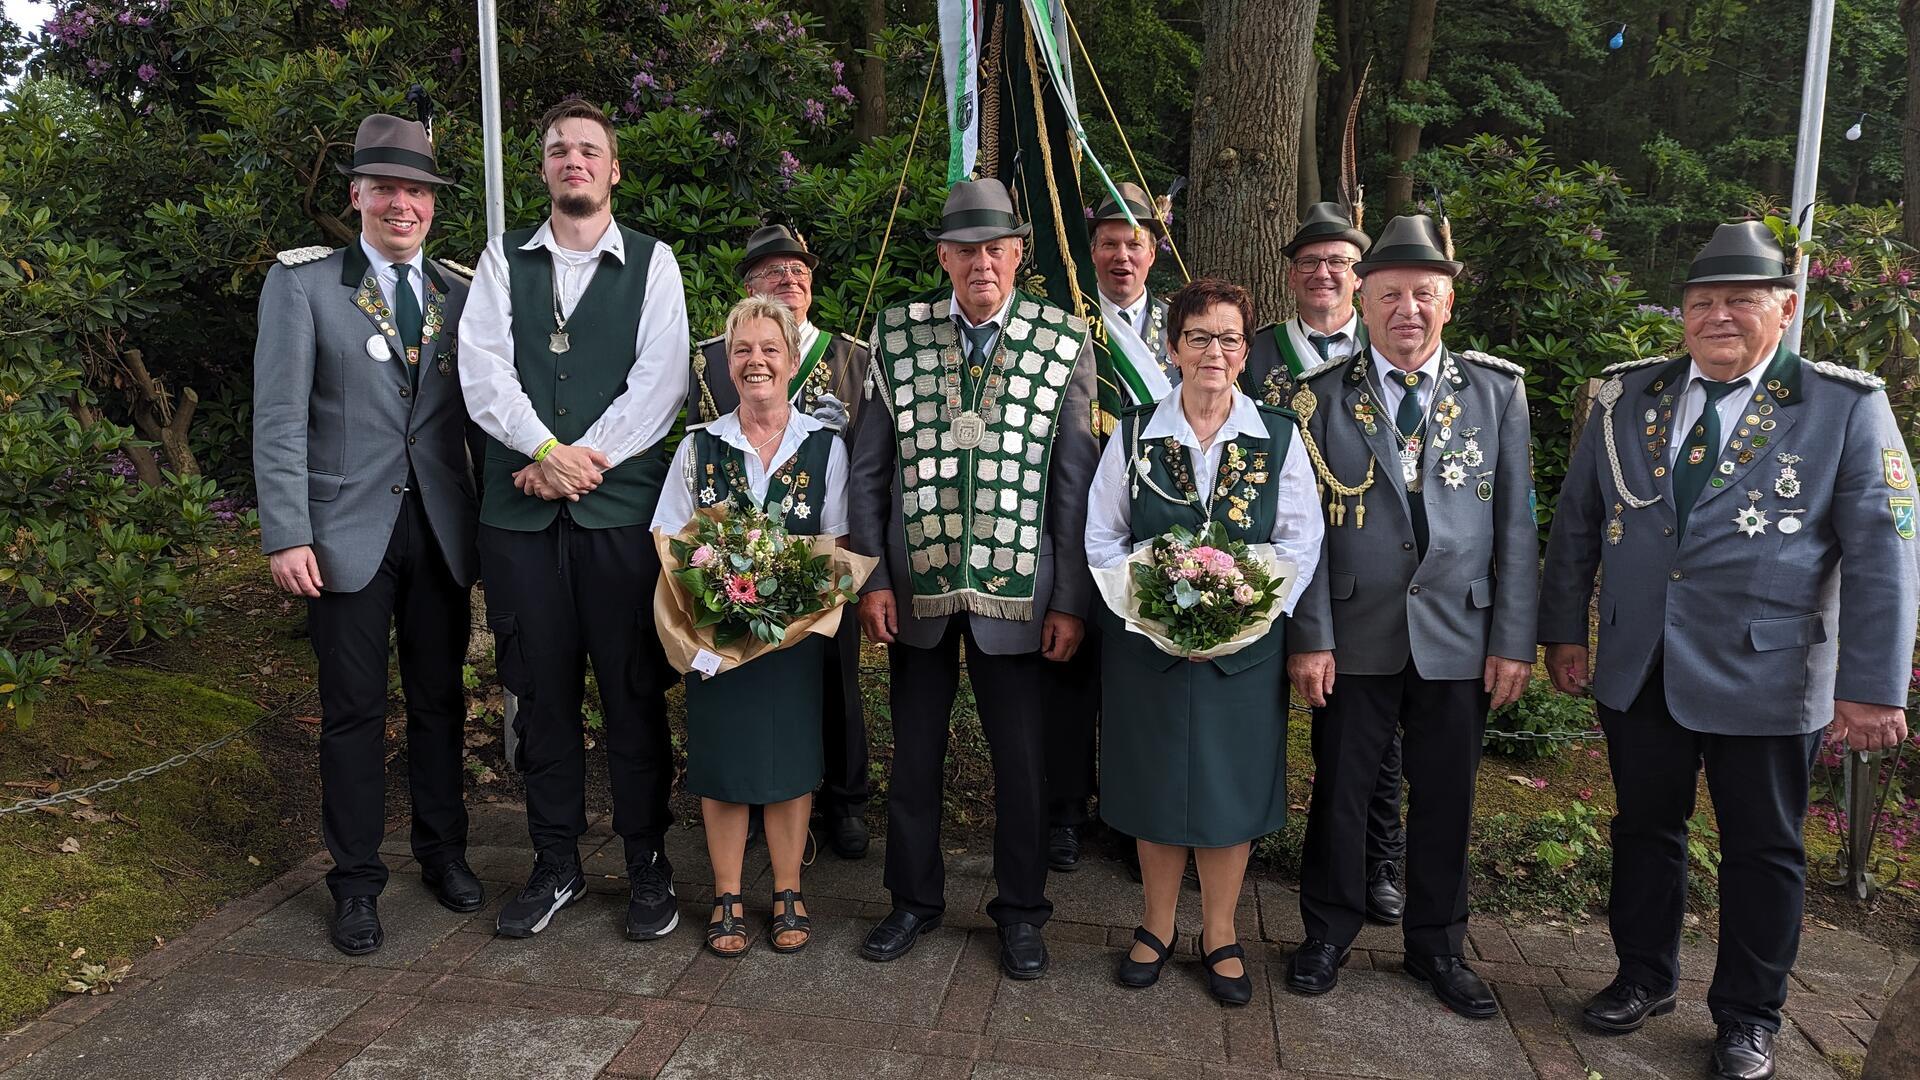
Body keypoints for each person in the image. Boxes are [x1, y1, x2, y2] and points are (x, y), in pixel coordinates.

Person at [1539, 220, 1919, 1080]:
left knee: (1764, 848)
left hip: (1769, 671)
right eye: (1701, 302)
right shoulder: (1626, 398)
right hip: (1641, 667)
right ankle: (1642, 977)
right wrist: (1564, 630)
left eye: (1739, 300)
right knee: (1643, 831)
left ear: (1783, 309)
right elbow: (1578, 524)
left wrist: (1872, 687)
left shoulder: (1842, 407)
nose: (1717, 316)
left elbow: (1883, 553)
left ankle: (1750, 1015)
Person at [1283, 214, 1537, 1018]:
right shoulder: (1321, 397)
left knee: (1447, 797)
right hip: (1355, 632)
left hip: (1461, 633)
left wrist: (1512, 640)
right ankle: (1326, 933)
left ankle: (1438, 946)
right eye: (1389, 295)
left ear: (1449, 302)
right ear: (1362, 301)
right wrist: (1312, 635)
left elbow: (1518, 528)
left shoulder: (1498, 393)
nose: (1407, 310)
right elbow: (1306, 529)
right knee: (1342, 791)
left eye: (1423, 295)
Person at [849, 178, 1098, 980]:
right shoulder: (895, 336)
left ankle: (1022, 912)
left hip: (1022, 593)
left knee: (1022, 765)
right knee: (913, 757)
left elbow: (1074, 480)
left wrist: (1070, 598)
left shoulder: (1064, 341)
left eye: (997, 248)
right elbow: (867, 472)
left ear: (1019, 255)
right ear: (945, 257)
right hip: (915, 586)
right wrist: (872, 579)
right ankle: (912, 902)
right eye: (967, 250)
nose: (982, 263)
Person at [458, 98, 690, 941]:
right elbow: (481, 371)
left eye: (590, 150)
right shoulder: (500, 259)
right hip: (520, 527)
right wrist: (544, 449)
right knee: (541, 700)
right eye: (559, 150)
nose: (574, 162)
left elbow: (661, 385)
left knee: (632, 699)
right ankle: (554, 863)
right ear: (545, 168)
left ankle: (647, 865)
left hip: (618, 520)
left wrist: (577, 461)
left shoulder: (654, 265)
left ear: (614, 168)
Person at [253, 113, 481, 956]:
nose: (402, 204)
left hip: (442, 530)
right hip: (343, 533)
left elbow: (479, 422)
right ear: (356, 195)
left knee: (440, 703)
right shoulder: (303, 285)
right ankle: (354, 882)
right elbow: (278, 417)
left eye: (416, 191)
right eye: (385, 188)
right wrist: (286, 533)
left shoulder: (460, 293)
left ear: (432, 205)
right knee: (352, 713)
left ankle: (443, 852)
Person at [1085, 277, 1323, 1005]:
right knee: (1157, 786)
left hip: (1243, 653)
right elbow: (1103, 536)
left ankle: (1219, 932)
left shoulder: (1278, 435)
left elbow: (1299, 541)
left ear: (1245, 351)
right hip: (1147, 648)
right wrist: (1153, 610)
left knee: (1226, 792)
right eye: (1198, 337)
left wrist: (1238, 614)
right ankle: (1155, 926)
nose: (1213, 351)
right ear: (1173, 347)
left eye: (1227, 338)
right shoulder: (1132, 432)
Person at [654, 295, 850, 956]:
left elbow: (834, 543)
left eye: (770, 349)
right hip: (715, 638)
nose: (755, 361)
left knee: (791, 765)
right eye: (742, 350)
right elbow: (669, 539)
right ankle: (728, 894)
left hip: (794, 641)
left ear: (793, 361)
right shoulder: (698, 446)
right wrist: (703, 622)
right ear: (725, 364)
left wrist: (788, 610)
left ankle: (789, 890)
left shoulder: (826, 449)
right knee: (724, 766)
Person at [686, 223, 874, 860]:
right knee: (747, 687)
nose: (791, 279)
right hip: (732, 568)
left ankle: (842, 802)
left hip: (822, 561)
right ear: (748, 286)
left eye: (800, 270)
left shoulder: (852, 356)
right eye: (775, 271)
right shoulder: (711, 358)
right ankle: (759, 800)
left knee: (835, 684)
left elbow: (868, 458)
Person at [1244, 203, 1404, 924]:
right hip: (1269, 562)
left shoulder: (1387, 351)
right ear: (1290, 275)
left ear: (1359, 276)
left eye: (1337, 261)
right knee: (1249, 710)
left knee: (1372, 742)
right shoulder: (1256, 352)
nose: (1323, 273)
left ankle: (1379, 863)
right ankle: (1232, 838)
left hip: (1358, 570)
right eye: (1309, 261)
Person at [1048, 181, 1173, 874]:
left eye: (1134, 244)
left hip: (1153, 531)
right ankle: (1064, 813)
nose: (1121, 256)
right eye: (1108, 244)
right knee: (1069, 678)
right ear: (1091, 249)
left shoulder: (1181, 329)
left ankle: (1128, 817)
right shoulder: (1064, 320)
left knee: (1135, 685)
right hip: (1073, 522)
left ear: (1154, 252)